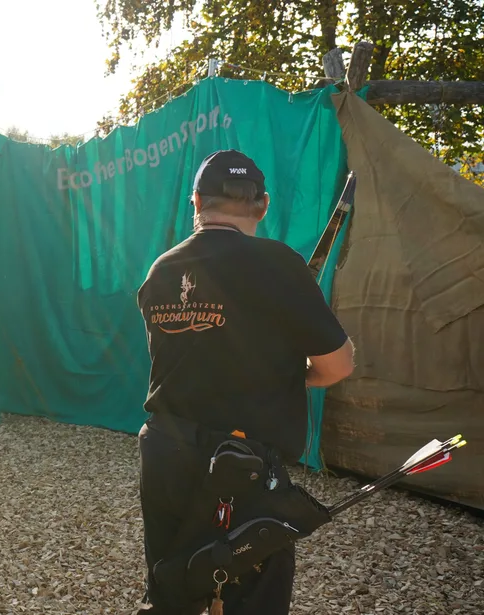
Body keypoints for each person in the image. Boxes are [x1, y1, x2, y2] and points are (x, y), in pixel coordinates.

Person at [133, 149, 355, 614]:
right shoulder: (278, 264)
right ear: (264, 205)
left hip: (166, 452)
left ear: (195, 201)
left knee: (175, 583)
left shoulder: (163, 269)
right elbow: (337, 365)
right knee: (251, 598)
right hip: (243, 465)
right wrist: (299, 377)